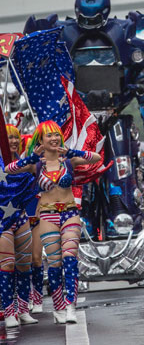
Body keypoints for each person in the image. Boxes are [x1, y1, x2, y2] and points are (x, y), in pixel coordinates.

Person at [6, 121, 101, 324]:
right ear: (41, 140)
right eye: (49, 135)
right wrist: (31, 157)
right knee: (55, 264)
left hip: (70, 214)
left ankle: (70, 306)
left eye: (57, 134)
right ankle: (58, 306)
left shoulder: (69, 160)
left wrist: (73, 150)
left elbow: (96, 157)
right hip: (48, 216)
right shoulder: (36, 165)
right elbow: (9, 168)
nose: (54, 138)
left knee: (70, 258)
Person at [0, 125, 38, 327]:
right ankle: (9, 312)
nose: (12, 141)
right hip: (1, 221)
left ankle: (23, 309)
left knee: (24, 265)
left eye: (15, 137)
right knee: (6, 265)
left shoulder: (22, 160)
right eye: (8, 137)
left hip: (21, 218)